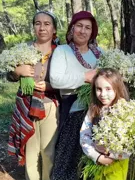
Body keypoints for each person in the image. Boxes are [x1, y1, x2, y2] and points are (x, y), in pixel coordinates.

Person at [7, 11, 60, 180]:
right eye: (38, 23)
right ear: (33, 27)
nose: (42, 27)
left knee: (48, 152)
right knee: (30, 152)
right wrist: (17, 72)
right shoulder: (23, 50)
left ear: (54, 29)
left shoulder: (61, 52)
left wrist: (49, 86)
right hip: (26, 106)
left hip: (50, 106)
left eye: (47, 24)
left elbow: (69, 82)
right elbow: (8, 75)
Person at [49, 11, 101, 180]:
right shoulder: (63, 51)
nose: (83, 31)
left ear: (92, 32)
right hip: (74, 112)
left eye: (88, 27)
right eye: (79, 26)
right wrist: (85, 78)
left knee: (94, 159)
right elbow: (56, 80)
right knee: (68, 158)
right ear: (72, 29)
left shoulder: (99, 53)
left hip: (98, 113)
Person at [79, 68, 130, 180]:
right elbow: (84, 135)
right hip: (97, 161)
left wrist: (111, 154)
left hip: (117, 165)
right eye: (99, 89)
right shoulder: (94, 109)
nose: (103, 94)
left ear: (117, 88)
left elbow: (131, 143)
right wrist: (97, 156)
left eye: (108, 89)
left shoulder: (126, 111)